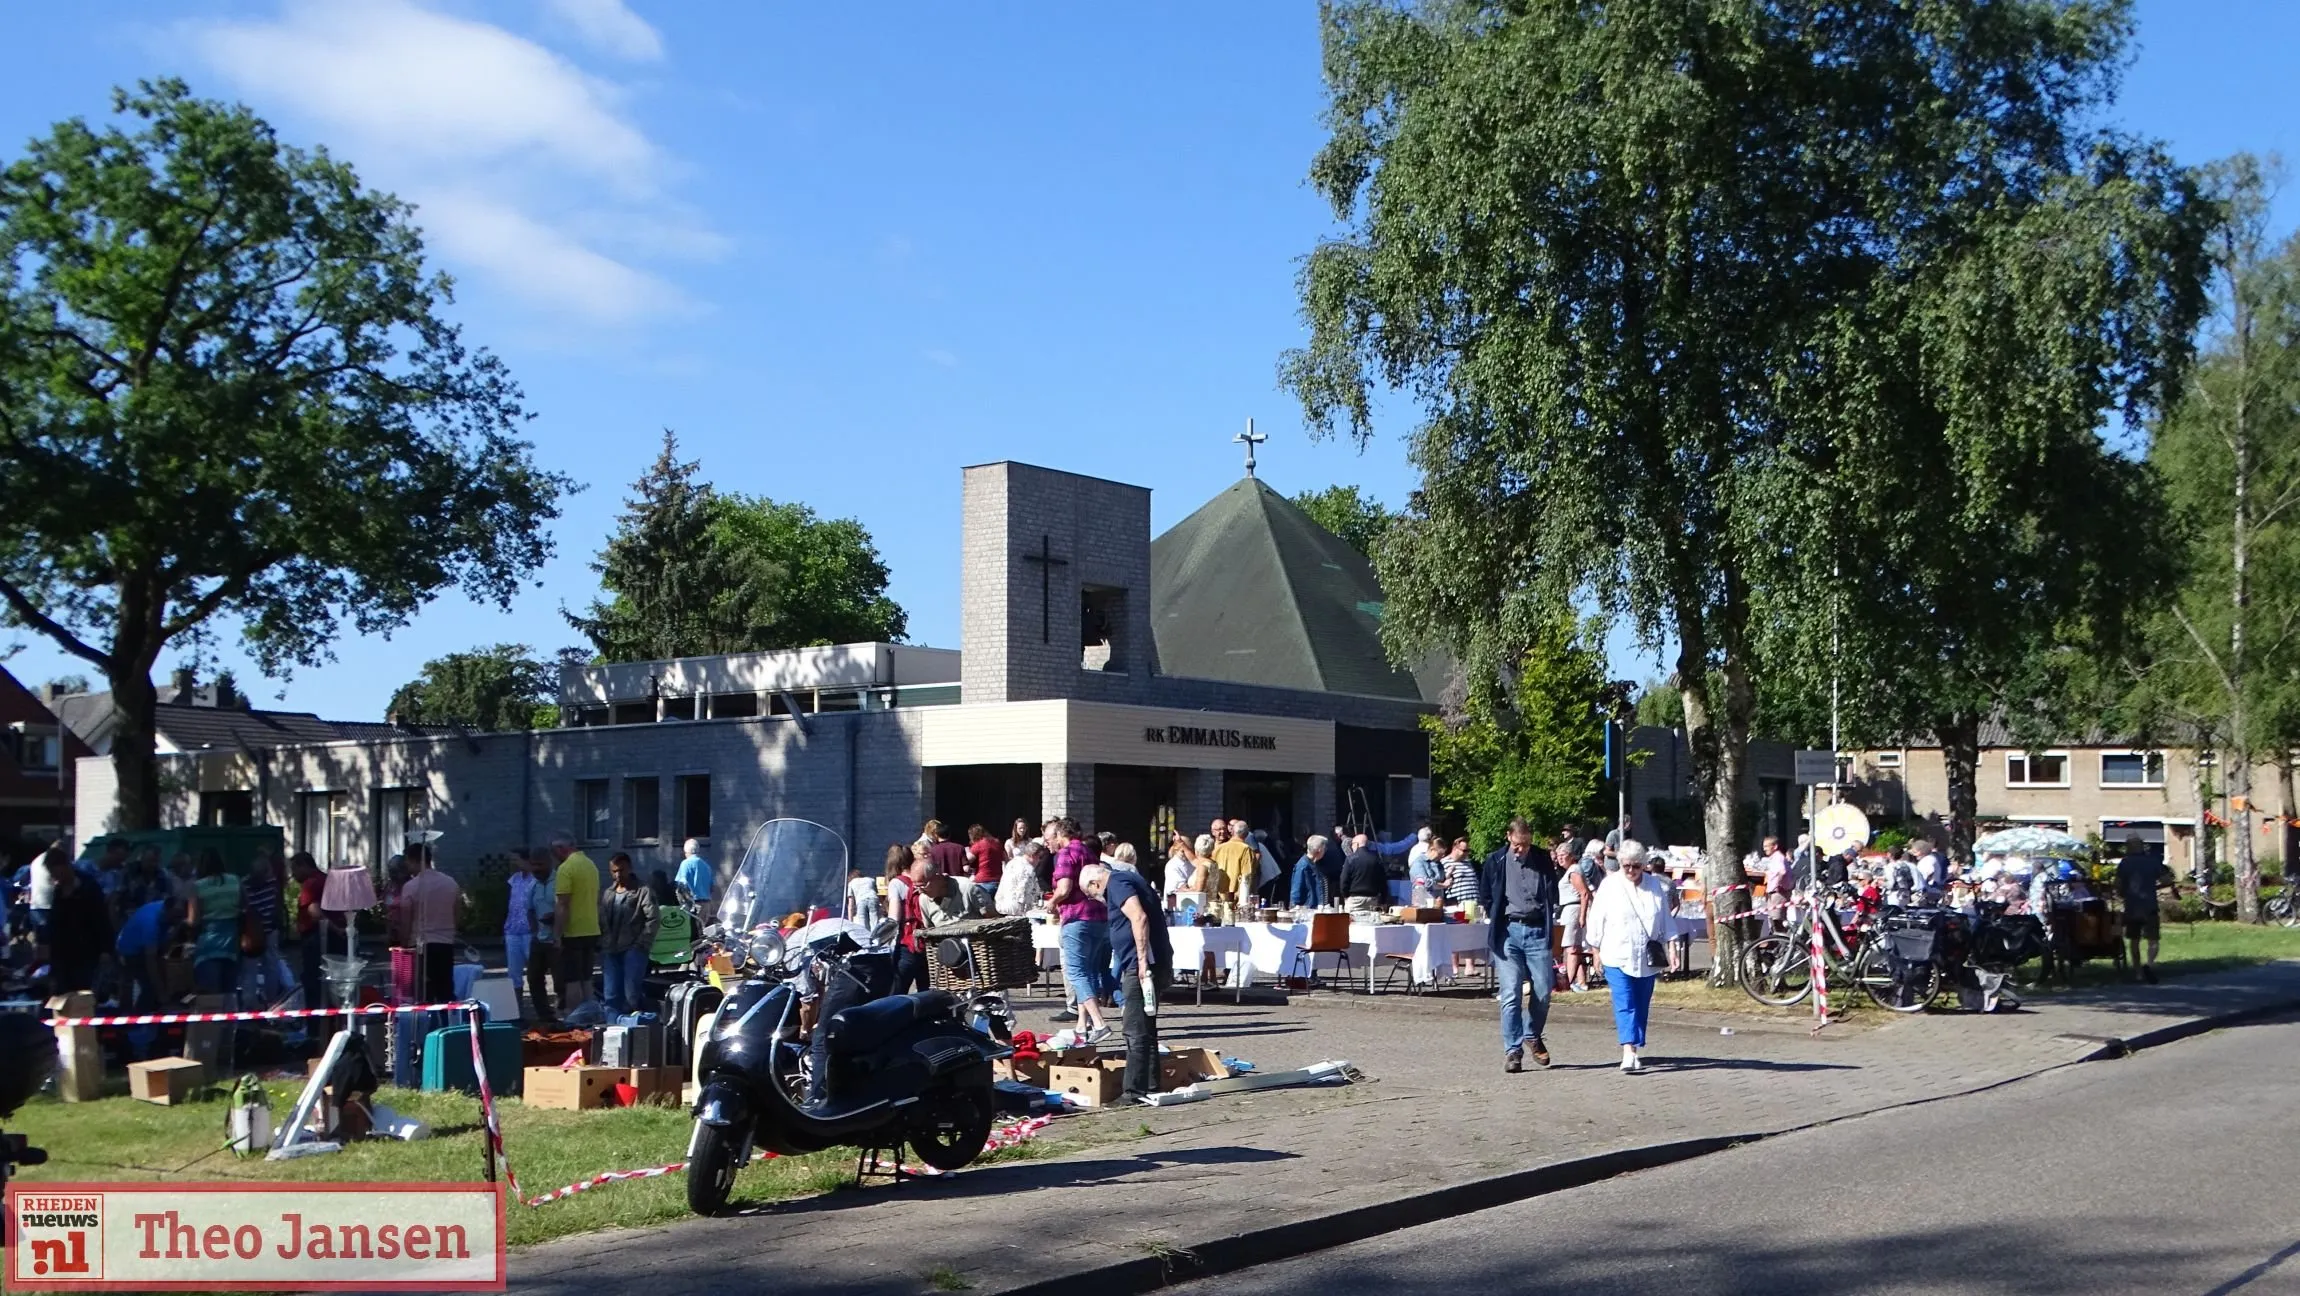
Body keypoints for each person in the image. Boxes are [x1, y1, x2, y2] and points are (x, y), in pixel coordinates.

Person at [1082, 861, 1171, 1106]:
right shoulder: (1127, 879)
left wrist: (1142, 961)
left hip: (1141, 965)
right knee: (1146, 1027)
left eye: (1092, 894)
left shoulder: (1118, 884)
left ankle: (1133, 1090)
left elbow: (1139, 917)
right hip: (1146, 962)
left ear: (1095, 883)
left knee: (1134, 1028)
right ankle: (1151, 1084)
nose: (1098, 900)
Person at [1587, 840, 1678, 1073]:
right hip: (1615, 953)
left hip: (1646, 956)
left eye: (1636, 866)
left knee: (1640, 1003)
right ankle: (1628, 1051)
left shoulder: (1655, 885)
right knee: (1624, 1001)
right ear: (1620, 864)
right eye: (1626, 865)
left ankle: (1635, 1046)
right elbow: (1596, 919)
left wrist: (1673, 948)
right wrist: (1595, 950)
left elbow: (1665, 918)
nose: (1631, 870)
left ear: (1644, 865)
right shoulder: (1609, 886)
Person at [1477, 818, 1558, 1073]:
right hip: (1508, 932)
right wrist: (1496, 914)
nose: (1521, 849)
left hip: (1537, 931)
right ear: (1508, 837)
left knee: (1543, 990)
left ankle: (1532, 1034)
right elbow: (1486, 894)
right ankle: (1513, 1050)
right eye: (1517, 844)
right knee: (1511, 992)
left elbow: (1551, 890)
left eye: (1525, 844)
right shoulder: (1496, 860)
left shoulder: (1543, 859)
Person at [1048, 818, 1112, 1039]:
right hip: (1099, 918)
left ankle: (1099, 1023)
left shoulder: (1066, 854)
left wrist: (1051, 902)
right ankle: (1081, 1025)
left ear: (1059, 836)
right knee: (1089, 971)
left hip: (1077, 918)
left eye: (1050, 839)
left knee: (1076, 972)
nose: (1049, 844)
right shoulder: (1090, 852)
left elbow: (1064, 888)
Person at [393, 843, 461, 1005]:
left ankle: (428, 1025)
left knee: (424, 991)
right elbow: (457, 913)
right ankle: (447, 1023)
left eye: (408, 862)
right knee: (445, 988)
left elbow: (406, 919)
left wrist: (404, 943)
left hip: (421, 944)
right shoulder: (450, 883)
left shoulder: (411, 887)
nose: (407, 867)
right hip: (445, 943)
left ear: (414, 860)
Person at [42, 846, 112, 994]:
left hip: (86, 951)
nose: (55, 877)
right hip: (62, 954)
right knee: (62, 994)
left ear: (66, 866)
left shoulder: (89, 886)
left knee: (83, 993)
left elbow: (101, 919)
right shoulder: (58, 892)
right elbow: (54, 922)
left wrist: (105, 949)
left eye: (56, 872)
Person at [598, 853, 660, 1014]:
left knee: (631, 994)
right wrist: (603, 941)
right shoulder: (608, 893)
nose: (618, 875)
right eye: (614, 871)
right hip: (611, 949)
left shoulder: (643, 891)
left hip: (634, 949)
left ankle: (637, 1025)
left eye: (621, 870)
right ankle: (612, 1028)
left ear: (630, 868)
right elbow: (602, 919)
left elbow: (653, 919)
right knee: (611, 994)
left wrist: (641, 944)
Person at [2115, 836, 2179, 984]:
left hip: (2132, 906)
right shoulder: (2153, 861)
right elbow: (2167, 880)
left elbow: (2117, 885)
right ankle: (2149, 964)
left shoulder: (2124, 863)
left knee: (2134, 941)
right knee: (2153, 939)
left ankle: (2138, 972)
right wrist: (2153, 887)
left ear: (2129, 848)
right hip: (2150, 905)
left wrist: (2123, 893)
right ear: (2142, 847)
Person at [550, 832, 602, 1014]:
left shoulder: (566, 869)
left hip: (573, 931)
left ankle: (575, 1017)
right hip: (592, 928)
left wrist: (557, 934)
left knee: (572, 980)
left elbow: (562, 904)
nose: (553, 855)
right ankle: (591, 1015)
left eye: (553, 850)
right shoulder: (590, 865)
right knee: (587, 977)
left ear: (561, 849)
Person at [239, 847, 296, 1007]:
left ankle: (249, 1002)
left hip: (252, 932)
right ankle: (271, 1000)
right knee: (270, 964)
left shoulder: (244, 884)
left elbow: (244, 907)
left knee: (250, 968)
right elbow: (277, 905)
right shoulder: (271, 883)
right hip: (268, 930)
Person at [290, 852, 335, 1009]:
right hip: (327, 937)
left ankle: (315, 1024)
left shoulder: (311, 883)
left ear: (304, 866)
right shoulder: (325, 879)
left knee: (312, 980)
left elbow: (314, 911)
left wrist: (334, 927)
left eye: (294, 869)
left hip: (315, 938)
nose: (293, 875)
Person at [887, 847, 933, 994]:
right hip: (927, 942)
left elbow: (894, 917)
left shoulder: (896, 883)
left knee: (897, 993)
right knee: (925, 992)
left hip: (908, 943)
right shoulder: (920, 879)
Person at [505, 849, 544, 1020]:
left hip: (530, 931)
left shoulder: (536, 880)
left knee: (535, 972)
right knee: (514, 973)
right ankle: (516, 1011)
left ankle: (540, 1010)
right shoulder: (514, 879)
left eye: (517, 860)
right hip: (513, 930)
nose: (515, 864)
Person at [1557, 840, 1593, 993]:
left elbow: (1584, 893)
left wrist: (1582, 916)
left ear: (1571, 856)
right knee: (1573, 947)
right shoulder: (1571, 870)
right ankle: (1578, 981)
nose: (1560, 858)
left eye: (1563, 855)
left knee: (1571, 947)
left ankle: (1568, 982)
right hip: (1569, 908)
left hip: (1573, 908)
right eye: (1558, 855)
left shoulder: (1573, 871)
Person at [1212, 820, 1259, 912]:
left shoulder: (1219, 848)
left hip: (1219, 896)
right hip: (1237, 899)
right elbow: (1247, 876)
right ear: (1246, 835)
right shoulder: (1246, 849)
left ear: (1233, 832)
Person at [1340, 833, 1389, 917]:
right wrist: (1383, 900)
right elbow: (1383, 882)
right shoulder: (1376, 860)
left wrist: (1345, 896)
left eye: (1352, 845)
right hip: (1372, 899)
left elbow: (1344, 880)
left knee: (1352, 925)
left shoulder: (1350, 859)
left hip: (1354, 899)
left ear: (1357, 844)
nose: (1351, 847)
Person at [998, 840, 1048, 917]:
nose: (1040, 861)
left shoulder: (1012, 862)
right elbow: (1023, 892)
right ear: (1033, 855)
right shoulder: (1028, 869)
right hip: (1017, 910)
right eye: (1039, 857)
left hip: (1003, 905)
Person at [1165, 833, 1208, 908]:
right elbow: (1180, 887)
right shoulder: (1172, 865)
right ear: (1176, 849)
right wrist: (1195, 888)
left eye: (1188, 850)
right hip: (1178, 904)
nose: (1185, 854)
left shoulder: (1193, 863)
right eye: (1182, 851)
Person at [1291, 835, 1334, 909]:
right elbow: (1296, 893)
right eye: (1324, 848)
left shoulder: (1314, 864)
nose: (1325, 851)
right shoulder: (1303, 866)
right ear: (1320, 850)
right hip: (1307, 911)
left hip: (1315, 909)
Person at [675, 838, 713, 908]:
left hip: (692, 904)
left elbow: (682, 884)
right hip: (706, 904)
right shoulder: (707, 866)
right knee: (702, 919)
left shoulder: (685, 864)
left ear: (686, 852)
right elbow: (712, 887)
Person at [1408, 831, 1445, 904]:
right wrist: (1443, 885)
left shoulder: (1439, 864)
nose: (1442, 856)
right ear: (1432, 850)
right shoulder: (1418, 863)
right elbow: (1425, 883)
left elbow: (1442, 879)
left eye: (1443, 854)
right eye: (1440, 854)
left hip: (1438, 904)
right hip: (1423, 905)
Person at [1441, 838, 1480, 906]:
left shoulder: (1469, 862)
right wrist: (1448, 875)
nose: (1467, 853)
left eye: (1468, 850)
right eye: (1464, 851)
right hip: (1458, 904)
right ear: (1455, 849)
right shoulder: (1444, 862)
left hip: (1474, 904)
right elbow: (1442, 883)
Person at [967, 824, 1002, 890]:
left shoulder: (979, 844)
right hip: (999, 881)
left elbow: (967, 860)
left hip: (984, 882)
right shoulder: (997, 842)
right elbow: (1006, 858)